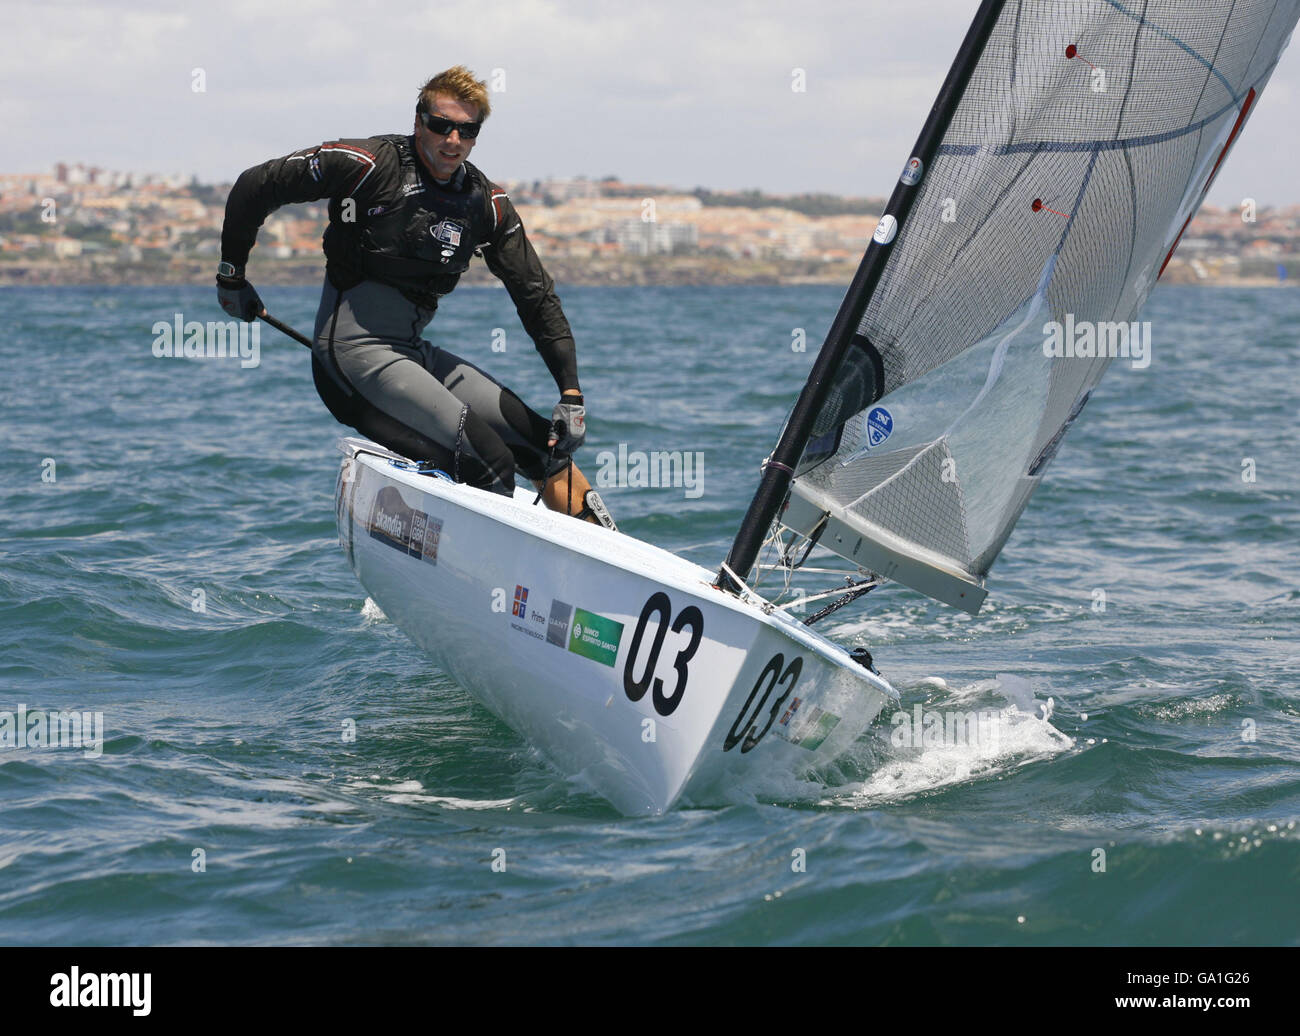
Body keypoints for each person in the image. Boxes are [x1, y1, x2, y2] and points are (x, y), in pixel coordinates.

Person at [215, 65, 615, 528]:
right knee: (489, 461)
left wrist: (570, 391)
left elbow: (535, 295)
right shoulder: (367, 165)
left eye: (467, 131)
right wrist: (232, 275)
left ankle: (609, 557)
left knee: (541, 443)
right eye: (442, 125)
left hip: (410, 354)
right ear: (418, 121)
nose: (452, 140)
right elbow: (255, 185)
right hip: (350, 360)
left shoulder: (484, 204)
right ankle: (475, 580)